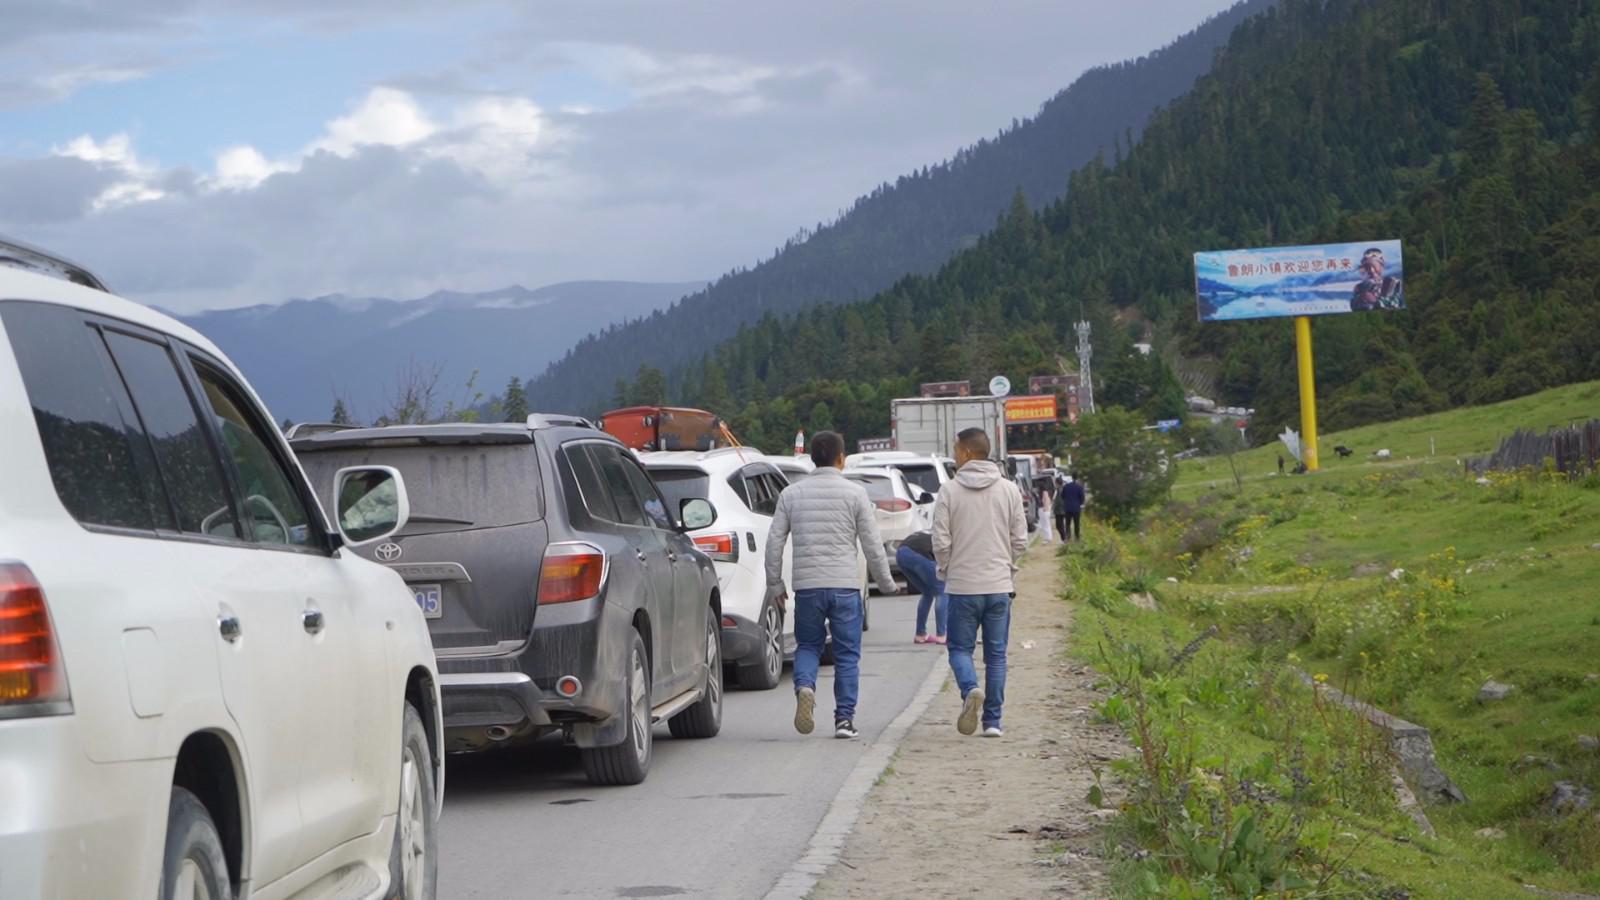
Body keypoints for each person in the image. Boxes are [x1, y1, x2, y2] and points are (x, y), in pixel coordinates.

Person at [766, 431, 897, 740]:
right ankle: (844, 720)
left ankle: (805, 687)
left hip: (808, 586)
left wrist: (775, 583)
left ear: (812, 459)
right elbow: (872, 545)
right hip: (845, 587)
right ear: (842, 458)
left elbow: (774, 541)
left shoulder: (791, 494)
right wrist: (887, 584)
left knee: (808, 646)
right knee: (847, 655)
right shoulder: (854, 494)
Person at [932, 428, 1027, 737]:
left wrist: (947, 568)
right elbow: (1020, 540)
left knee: (959, 649)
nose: (955, 456)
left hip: (962, 586)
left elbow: (941, 540)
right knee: (996, 655)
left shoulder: (949, 491)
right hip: (999, 585)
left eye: (957, 450)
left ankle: (971, 688)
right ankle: (993, 722)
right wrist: (1008, 567)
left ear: (968, 454)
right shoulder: (1009, 489)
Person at [896, 531, 947, 644]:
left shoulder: (933, 535)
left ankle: (920, 634)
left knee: (927, 592)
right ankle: (942, 635)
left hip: (901, 553)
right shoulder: (948, 542)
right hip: (918, 554)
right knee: (942, 591)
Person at [1350, 247, 1403, 311]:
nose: (1372, 270)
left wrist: (1376, 302)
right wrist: (1361, 298)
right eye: (1367, 267)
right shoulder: (1359, 287)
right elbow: (1353, 305)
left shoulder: (1393, 283)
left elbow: (1397, 303)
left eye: (1375, 266)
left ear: (1382, 267)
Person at [1060, 474, 1086, 542]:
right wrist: (1079, 503)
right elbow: (1082, 498)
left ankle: (1068, 537)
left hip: (1067, 508)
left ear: (1072, 477)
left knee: (1067, 524)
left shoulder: (1066, 486)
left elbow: (1062, 496)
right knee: (1076, 524)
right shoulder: (1079, 487)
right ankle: (1077, 538)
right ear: (1077, 478)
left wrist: (1067, 501)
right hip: (1076, 508)